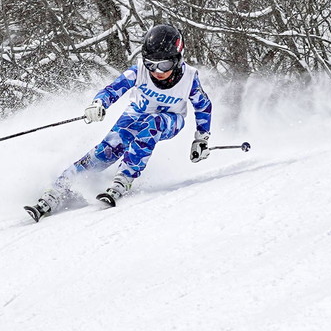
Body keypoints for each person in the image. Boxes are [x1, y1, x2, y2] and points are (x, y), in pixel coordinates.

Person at [26, 24, 213, 221]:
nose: (157, 71)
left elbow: (203, 107)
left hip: (171, 119)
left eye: (164, 65)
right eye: (151, 64)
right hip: (136, 113)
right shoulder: (139, 72)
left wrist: (201, 139)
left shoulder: (189, 78)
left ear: (177, 59)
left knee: (153, 124)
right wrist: (99, 103)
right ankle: (59, 189)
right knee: (107, 150)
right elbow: (113, 89)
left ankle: (124, 178)